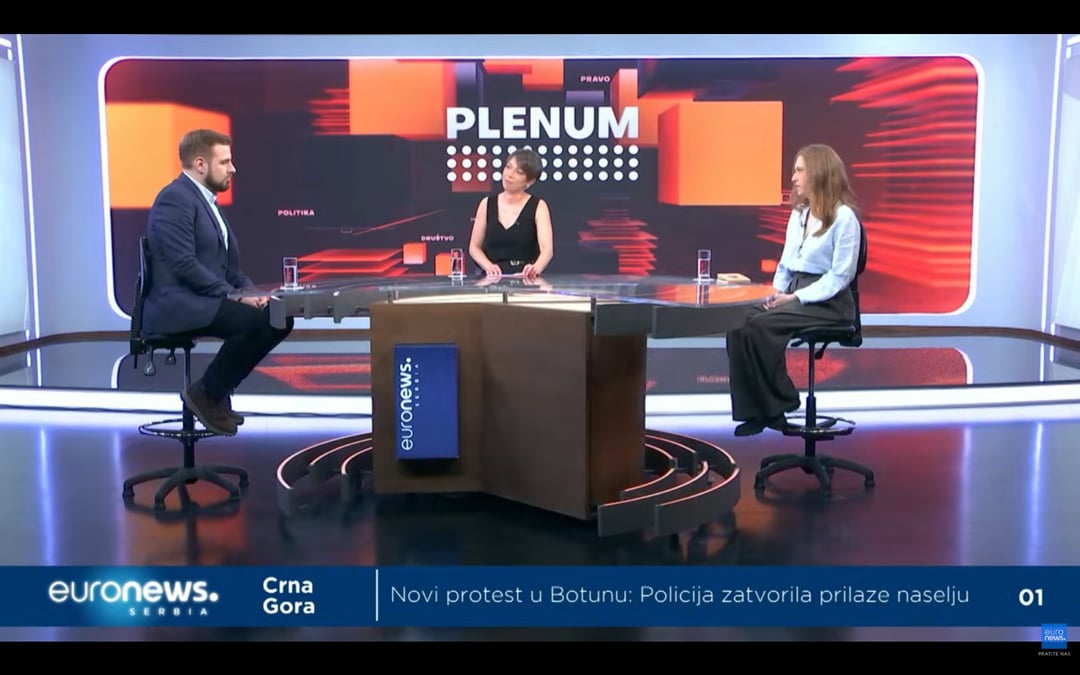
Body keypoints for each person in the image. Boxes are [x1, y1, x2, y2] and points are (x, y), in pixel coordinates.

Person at [141, 129, 294, 437]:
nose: (232, 169)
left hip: (203, 299)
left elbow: (230, 269)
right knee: (254, 323)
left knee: (279, 317)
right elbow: (184, 265)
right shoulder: (175, 199)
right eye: (225, 162)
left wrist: (254, 294)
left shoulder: (206, 202)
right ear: (200, 164)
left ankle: (217, 393)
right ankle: (206, 394)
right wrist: (234, 297)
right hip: (179, 305)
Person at [725, 144, 862, 437]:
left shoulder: (844, 218)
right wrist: (775, 294)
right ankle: (755, 411)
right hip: (795, 293)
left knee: (761, 325)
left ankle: (779, 403)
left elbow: (840, 277)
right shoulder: (799, 214)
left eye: (799, 170)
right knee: (738, 321)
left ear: (818, 173)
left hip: (830, 302)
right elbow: (787, 263)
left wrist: (796, 297)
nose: (793, 178)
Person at [468, 148, 554, 278]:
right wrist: (489, 266)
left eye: (519, 172)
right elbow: (474, 247)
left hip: (525, 279)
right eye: (508, 167)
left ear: (529, 181)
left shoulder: (538, 206)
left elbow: (547, 251)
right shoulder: (486, 204)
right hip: (491, 278)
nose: (509, 175)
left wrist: (534, 269)